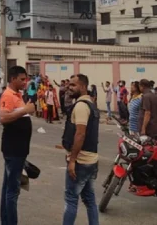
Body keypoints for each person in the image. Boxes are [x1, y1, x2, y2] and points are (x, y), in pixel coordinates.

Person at [0, 66, 35, 225]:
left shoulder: (18, 95)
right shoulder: (8, 95)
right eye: (21, 79)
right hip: (13, 149)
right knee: (12, 192)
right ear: (13, 79)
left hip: (18, 149)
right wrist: (25, 110)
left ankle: (5, 221)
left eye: (25, 79)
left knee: (8, 188)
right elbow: (4, 119)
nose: (24, 82)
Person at [61, 74, 99, 225]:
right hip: (91, 160)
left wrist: (72, 160)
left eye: (73, 85)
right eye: (69, 85)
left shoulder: (82, 106)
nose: (69, 88)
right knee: (90, 200)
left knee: (71, 200)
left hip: (81, 162)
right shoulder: (91, 104)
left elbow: (80, 134)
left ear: (83, 86)